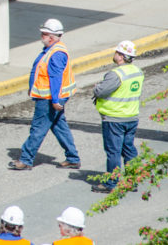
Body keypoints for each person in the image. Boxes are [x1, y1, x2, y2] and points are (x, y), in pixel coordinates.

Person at [9, 18, 81, 171]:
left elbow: (55, 78)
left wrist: (55, 100)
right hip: (51, 96)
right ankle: (73, 158)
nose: (41, 36)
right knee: (59, 126)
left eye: (44, 33)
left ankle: (26, 159)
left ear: (52, 36)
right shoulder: (51, 49)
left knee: (38, 128)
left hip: (49, 98)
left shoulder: (56, 54)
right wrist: (32, 87)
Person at [91, 40, 144, 193]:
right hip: (131, 117)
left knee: (113, 151)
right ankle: (132, 181)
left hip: (114, 119)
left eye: (116, 52)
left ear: (121, 56)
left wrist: (97, 87)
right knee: (129, 150)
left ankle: (111, 183)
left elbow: (100, 91)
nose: (114, 54)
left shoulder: (116, 74)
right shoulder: (138, 72)